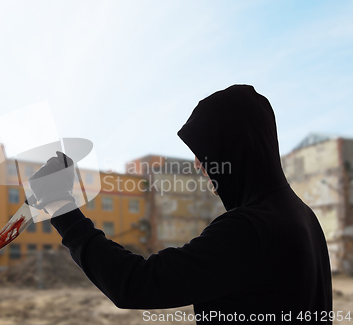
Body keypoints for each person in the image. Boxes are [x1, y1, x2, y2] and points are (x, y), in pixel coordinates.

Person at [28, 85, 332, 324]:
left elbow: (135, 283)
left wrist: (60, 206)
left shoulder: (249, 231)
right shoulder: (303, 217)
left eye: (205, 151)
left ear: (235, 148)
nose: (199, 165)